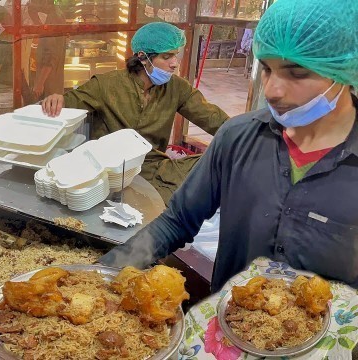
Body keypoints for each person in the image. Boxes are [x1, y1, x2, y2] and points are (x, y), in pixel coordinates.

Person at [97, 0, 358, 293]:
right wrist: (102, 275)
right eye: (268, 70)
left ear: (344, 68)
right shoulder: (237, 138)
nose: (271, 90)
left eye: (296, 73)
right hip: (228, 324)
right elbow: (177, 222)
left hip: (334, 336)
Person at [42, 22, 229, 205]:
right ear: (143, 57)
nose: (174, 64)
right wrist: (56, 99)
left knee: (222, 163)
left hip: (153, 168)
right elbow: (68, 102)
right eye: (167, 57)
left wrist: (247, 135)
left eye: (176, 56)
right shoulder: (106, 85)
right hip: (110, 171)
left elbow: (212, 118)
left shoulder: (178, 88)